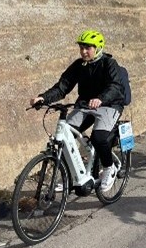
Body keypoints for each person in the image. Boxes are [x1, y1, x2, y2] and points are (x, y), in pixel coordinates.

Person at [30, 30, 126, 192]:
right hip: (85, 105)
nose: (83, 51)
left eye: (88, 48)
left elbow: (115, 86)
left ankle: (109, 168)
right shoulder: (79, 65)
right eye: (81, 47)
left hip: (109, 104)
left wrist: (101, 98)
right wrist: (43, 98)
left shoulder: (109, 64)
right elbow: (62, 87)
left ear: (98, 48)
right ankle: (69, 175)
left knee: (99, 137)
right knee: (66, 136)